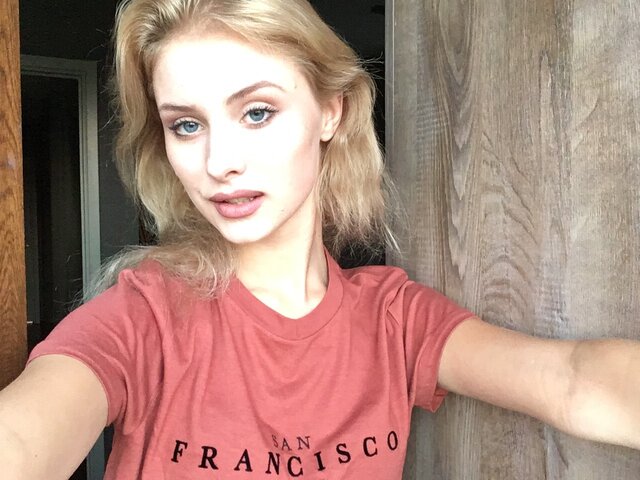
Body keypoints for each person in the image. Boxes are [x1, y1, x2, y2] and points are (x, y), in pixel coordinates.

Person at [1, 0, 639, 478]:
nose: (219, 162)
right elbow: (24, 439)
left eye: (257, 112)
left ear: (331, 111)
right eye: (187, 125)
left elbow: (571, 379)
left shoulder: (393, 319)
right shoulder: (142, 317)